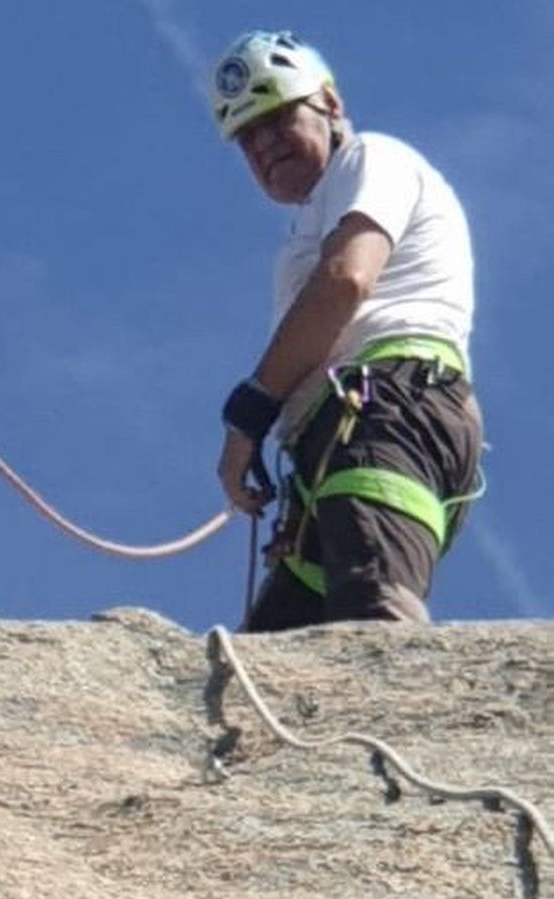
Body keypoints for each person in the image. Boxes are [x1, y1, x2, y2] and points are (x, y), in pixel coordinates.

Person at [207, 31, 483, 631]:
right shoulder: (315, 218)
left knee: (373, 621)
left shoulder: (371, 159)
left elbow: (345, 281)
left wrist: (250, 411)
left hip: (386, 406)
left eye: (278, 118)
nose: (263, 145)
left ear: (329, 103)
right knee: (270, 666)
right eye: (247, 137)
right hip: (341, 434)